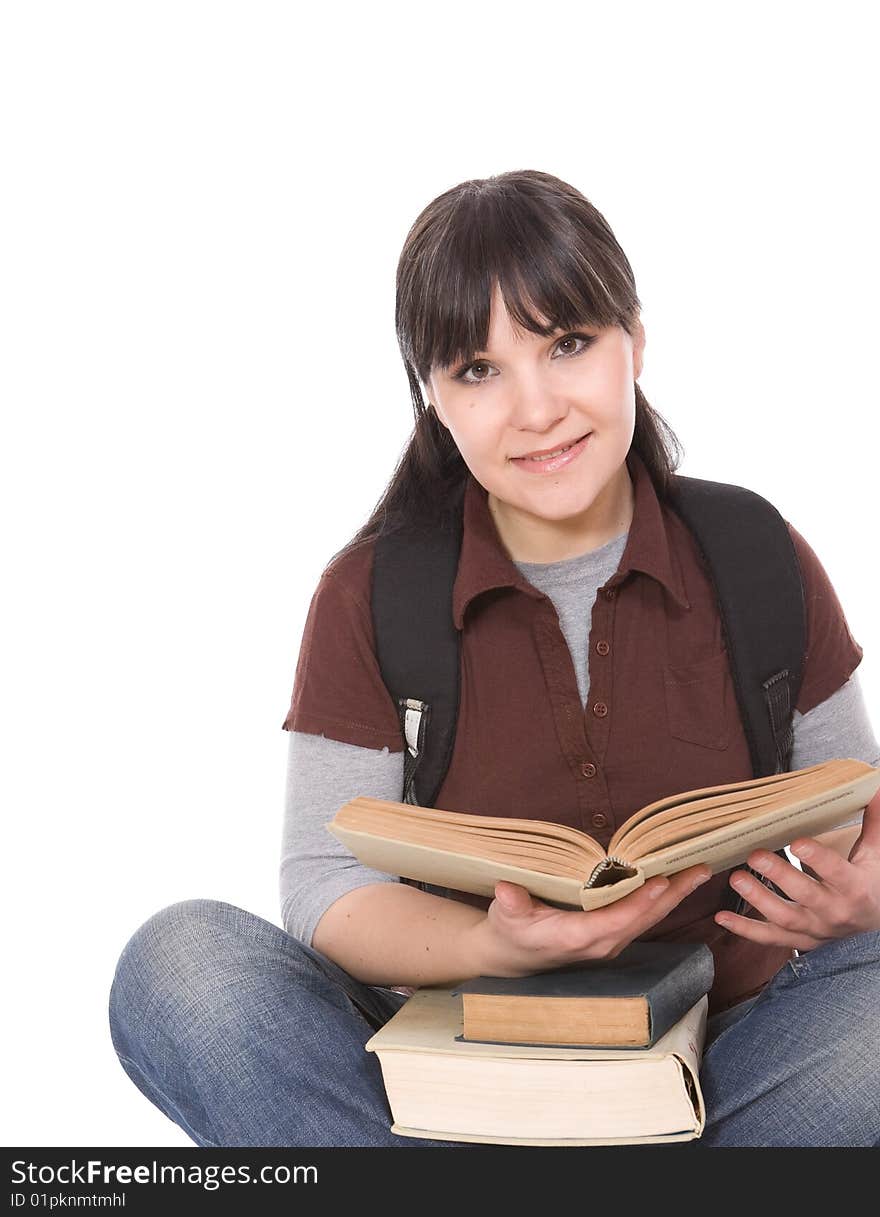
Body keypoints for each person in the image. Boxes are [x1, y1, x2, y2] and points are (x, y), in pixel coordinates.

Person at [108, 170, 880, 1148]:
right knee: (180, 962)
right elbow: (320, 885)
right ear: (431, 396)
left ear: (633, 339)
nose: (536, 407)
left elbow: (858, 801)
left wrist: (861, 895)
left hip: (728, 1062)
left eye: (568, 343)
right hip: (452, 1064)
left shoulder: (754, 549)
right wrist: (492, 943)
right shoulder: (368, 592)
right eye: (478, 369)